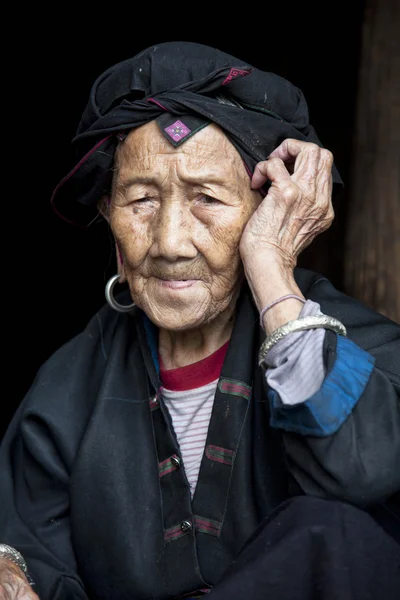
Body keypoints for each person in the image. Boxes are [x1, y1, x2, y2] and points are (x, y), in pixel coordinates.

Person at [0, 41, 399, 600]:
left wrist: (270, 270)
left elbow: (361, 474)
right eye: (140, 199)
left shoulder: (359, 344)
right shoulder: (69, 384)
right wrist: (12, 572)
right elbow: (24, 540)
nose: (167, 242)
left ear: (268, 211)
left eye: (206, 199)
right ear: (108, 216)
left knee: (327, 533)